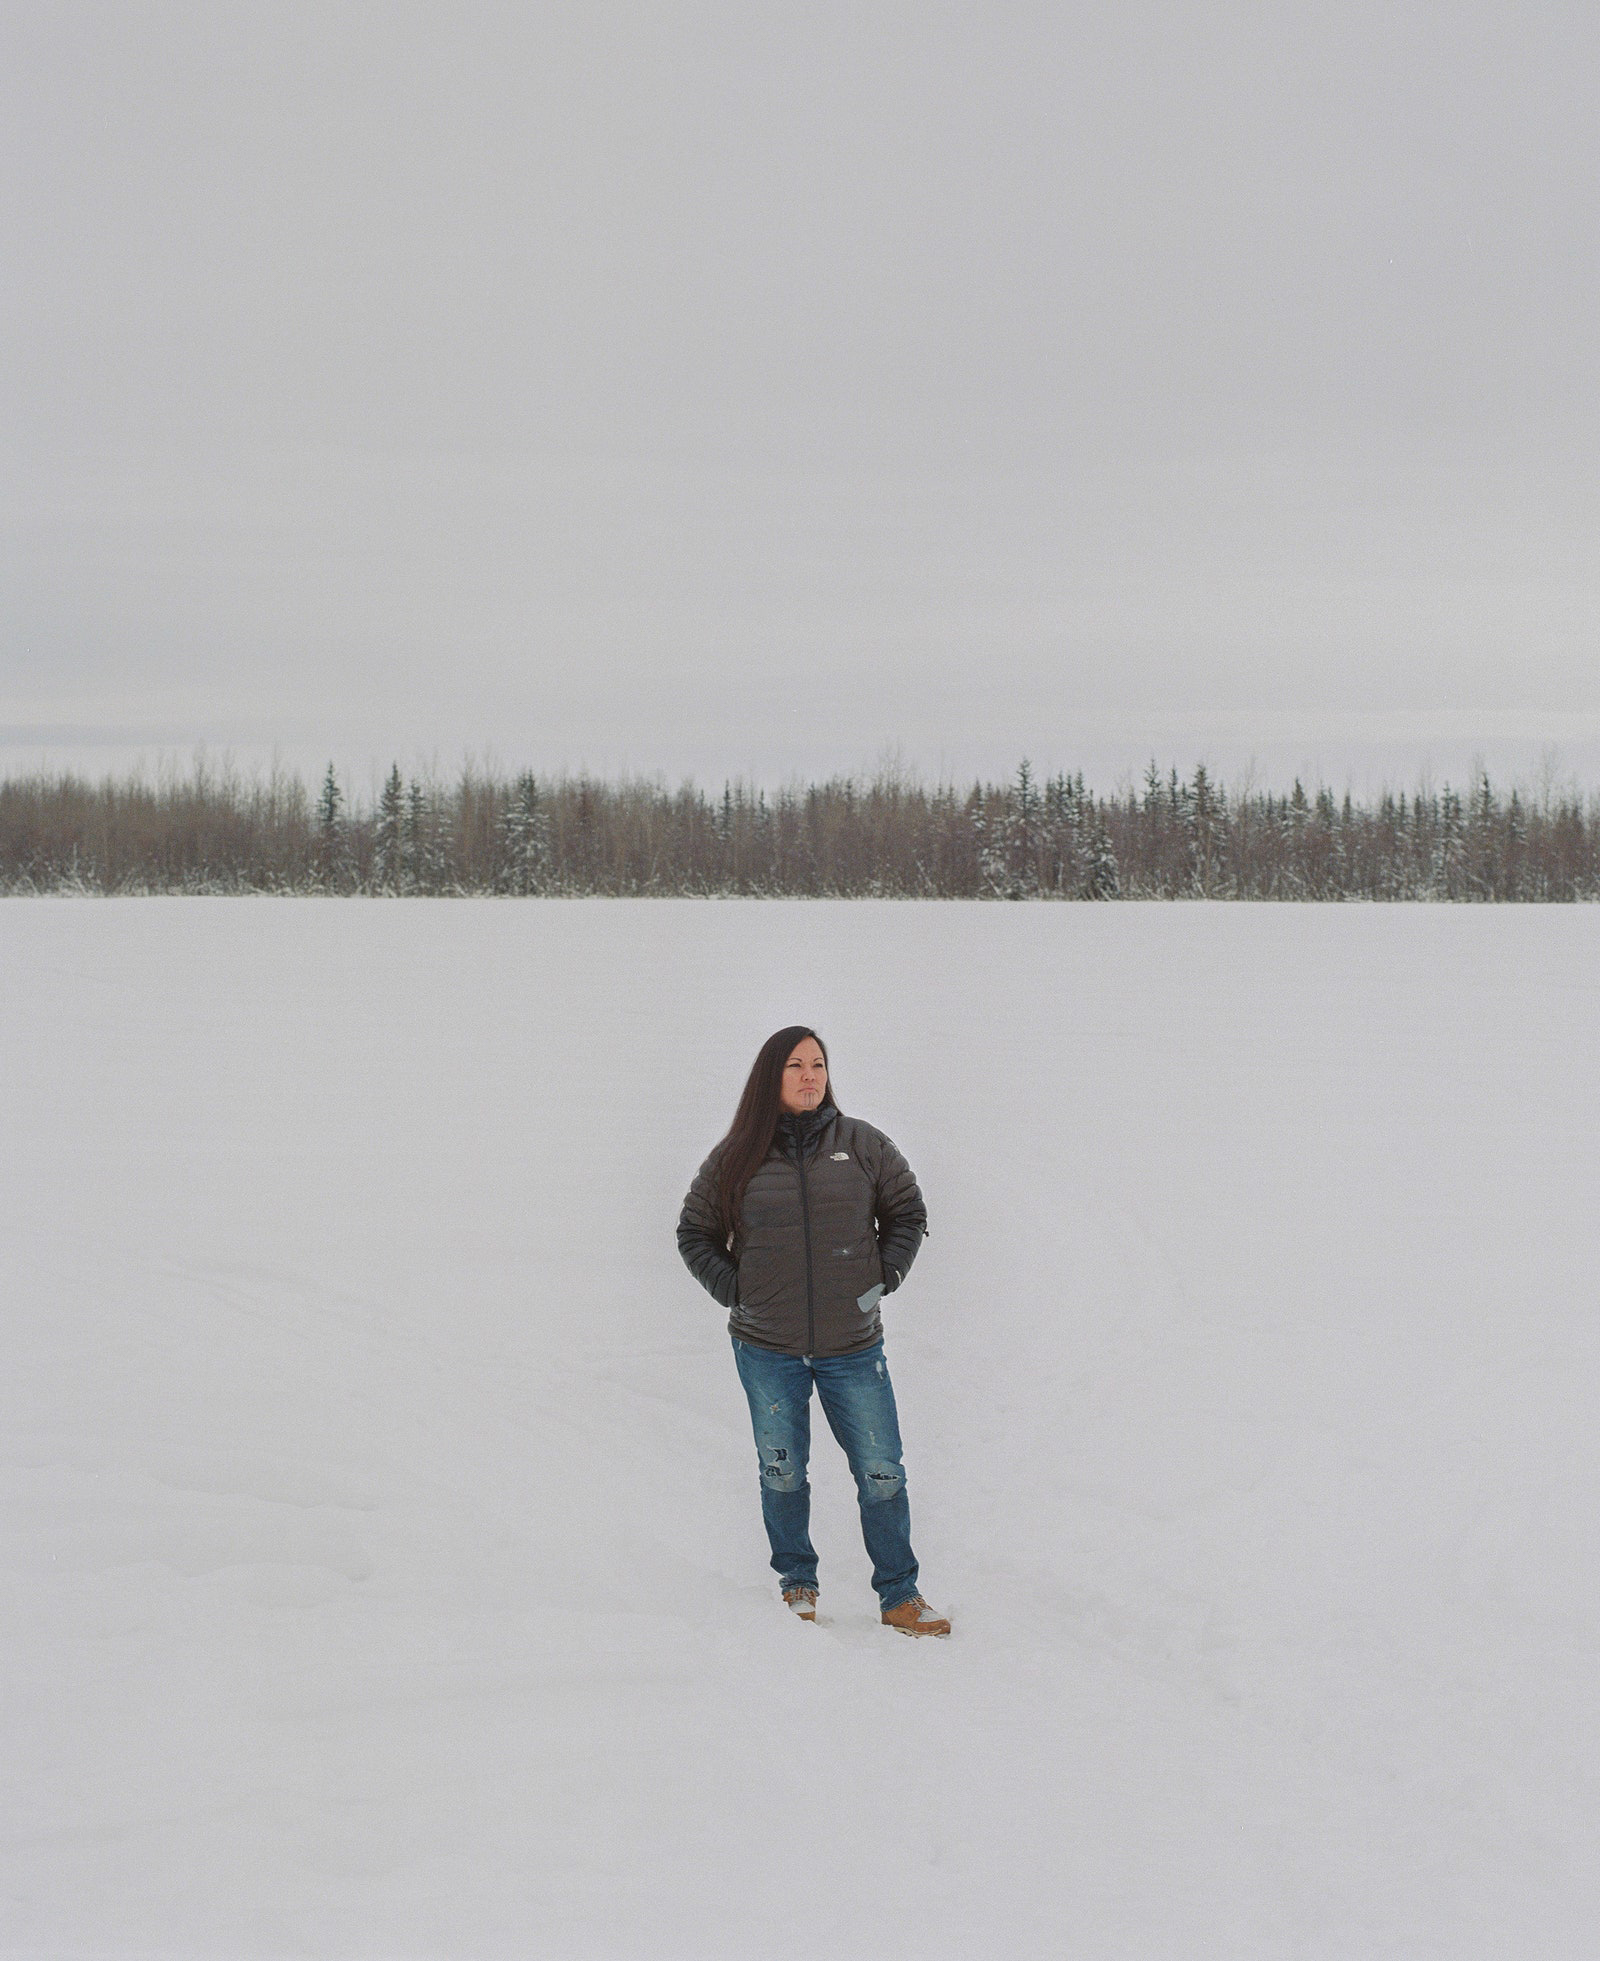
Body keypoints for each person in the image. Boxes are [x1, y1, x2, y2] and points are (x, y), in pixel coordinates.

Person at [677, 1025, 950, 1636]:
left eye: (818, 1065)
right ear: (770, 1076)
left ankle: (899, 1595)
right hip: (766, 1348)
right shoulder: (735, 1157)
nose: (809, 1076)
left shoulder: (862, 1145)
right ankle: (797, 1585)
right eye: (796, 1065)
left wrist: (885, 1275)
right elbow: (693, 1233)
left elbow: (907, 1211)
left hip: (852, 1347)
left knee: (882, 1470)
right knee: (782, 1469)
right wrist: (737, 1290)